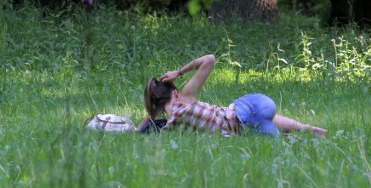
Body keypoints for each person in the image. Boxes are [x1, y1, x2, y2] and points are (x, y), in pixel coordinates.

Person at [137, 54, 327, 137]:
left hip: (242, 122)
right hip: (251, 106)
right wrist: (179, 72)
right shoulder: (185, 97)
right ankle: (308, 129)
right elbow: (209, 59)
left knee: (269, 136)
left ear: (157, 107)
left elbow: (145, 124)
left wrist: (147, 118)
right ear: (175, 93)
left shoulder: (172, 127)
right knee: (262, 121)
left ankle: (302, 132)